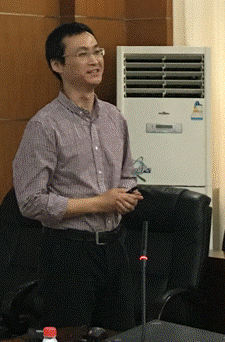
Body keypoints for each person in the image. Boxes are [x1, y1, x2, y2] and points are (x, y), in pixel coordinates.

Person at [12, 22, 141, 332]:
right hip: (68, 252)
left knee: (121, 333)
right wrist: (100, 203)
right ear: (58, 65)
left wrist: (126, 195)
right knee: (69, 335)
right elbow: (30, 202)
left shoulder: (115, 117)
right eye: (83, 54)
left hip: (115, 248)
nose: (95, 61)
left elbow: (128, 174)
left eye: (97, 51)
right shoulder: (44, 126)